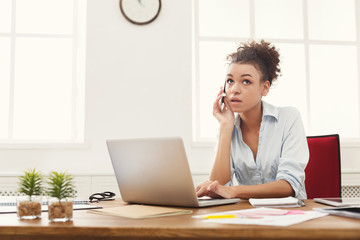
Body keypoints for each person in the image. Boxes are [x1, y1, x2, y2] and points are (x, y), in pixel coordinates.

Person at [196, 40, 309, 200]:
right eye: (230, 81)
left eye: (246, 81)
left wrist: (235, 191)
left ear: (265, 88)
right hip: (247, 215)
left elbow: (289, 185)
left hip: (290, 214)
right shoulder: (227, 128)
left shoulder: (288, 118)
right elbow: (217, 185)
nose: (234, 89)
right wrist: (225, 127)